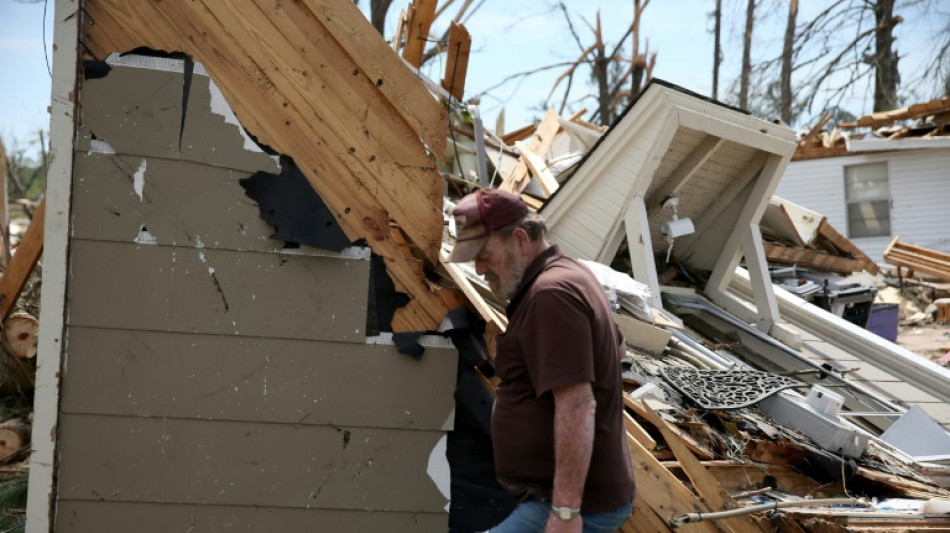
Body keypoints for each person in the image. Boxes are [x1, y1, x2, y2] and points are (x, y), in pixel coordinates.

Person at [448, 189, 636, 533]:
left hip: (567, 504)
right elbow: (615, 351)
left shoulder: (551, 295)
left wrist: (565, 512)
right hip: (561, 498)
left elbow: (577, 404)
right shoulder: (571, 274)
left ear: (520, 239)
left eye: (484, 254)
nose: (479, 268)